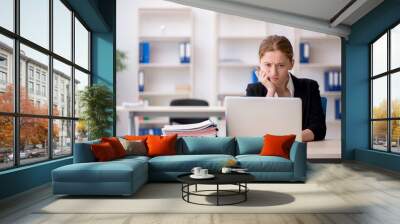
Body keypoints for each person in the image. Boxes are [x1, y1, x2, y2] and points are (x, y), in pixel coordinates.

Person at [246, 35, 326, 142]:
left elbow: (319, 129)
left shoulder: (310, 87)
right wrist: (270, 92)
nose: (274, 72)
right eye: (268, 65)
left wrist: (286, 141)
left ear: (291, 64)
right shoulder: (253, 90)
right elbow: (253, 131)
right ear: (260, 64)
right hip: (266, 154)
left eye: (280, 65)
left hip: (300, 150)